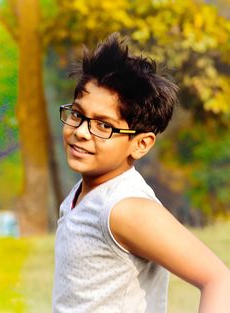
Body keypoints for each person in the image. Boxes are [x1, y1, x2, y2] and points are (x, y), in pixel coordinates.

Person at [52, 33, 230, 313]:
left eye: (103, 126)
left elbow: (218, 279)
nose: (81, 132)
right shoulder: (84, 193)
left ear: (141, 144)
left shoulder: (126, 209)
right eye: (77, 114)